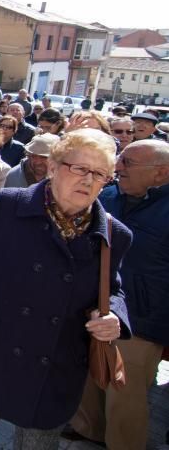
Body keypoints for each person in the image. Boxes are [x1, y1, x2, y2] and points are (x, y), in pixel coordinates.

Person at [0, 129, 132, 449]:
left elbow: (113, 289)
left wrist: (114, 316)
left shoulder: (115, 235)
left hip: (56, 368)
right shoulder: (8, 205)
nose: (88, 180)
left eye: (100, 174)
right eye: (80, 169)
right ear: (53, 167)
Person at [69, 140, 169, 449]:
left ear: (161, 173)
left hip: (142, 318)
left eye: (128, 163)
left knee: (124, 393)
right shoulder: (108, 196)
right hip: (92, 305)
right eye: (119, 160)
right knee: (87, 375)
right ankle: (89, 429)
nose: (118, 168)